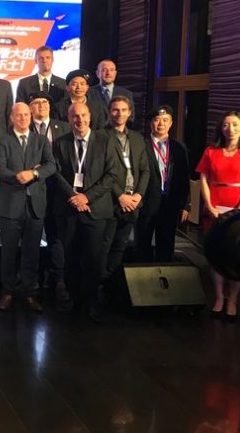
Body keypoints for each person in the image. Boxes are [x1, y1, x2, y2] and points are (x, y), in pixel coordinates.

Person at [50, 102, 118, 322]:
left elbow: (111, 175)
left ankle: (92, 301)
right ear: (69, 119)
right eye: (74, 116)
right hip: (68, 208)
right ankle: (74, 299)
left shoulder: (106, 141)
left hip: (95, 209)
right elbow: (56, 173)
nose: (79, 119)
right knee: (70, 257)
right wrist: (73, 196)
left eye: (83, 115)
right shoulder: (60, 142)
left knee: (93, 258)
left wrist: (86, 197)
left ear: (90, 116)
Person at [197, 110, 240, 321]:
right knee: (216, 256)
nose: (230, 129)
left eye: (235, 125)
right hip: (214, 210)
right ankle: (219, 297)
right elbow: (203, 180)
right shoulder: (211, 151)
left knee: (235, 257)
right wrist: (209, 205)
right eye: (226, 125)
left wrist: (239, 211)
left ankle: (233, 300)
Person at [0, 102, 55, 312]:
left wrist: (35, 173)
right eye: (18, 115)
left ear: (31, 116)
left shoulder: (41, 140)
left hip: (35, 205)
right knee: (9, 252)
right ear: (11, 117)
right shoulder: (3, 140)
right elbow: (0, 169)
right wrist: (18, 176)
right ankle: (8, 292)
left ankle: (30, 293)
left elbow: (51, 165)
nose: (23, 118)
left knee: (32, 252)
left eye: (26, 115)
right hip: (10, 204)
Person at [28, 90, 70, 300]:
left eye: (44, 102)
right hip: (32, 188)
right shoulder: (23, 126)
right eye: (36, 102)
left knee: (56, 236)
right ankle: (32, 280)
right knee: (32, 236)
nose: (41, 105)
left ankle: (58, 279)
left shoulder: (64, 127)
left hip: (58, 188)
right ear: (30, 108)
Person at [135, 105, 190, 263]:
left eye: (165, 120)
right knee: (142, 245)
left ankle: (164, 276)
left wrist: (186, 204)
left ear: (171, 123)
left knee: (166, 246)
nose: (161, 124)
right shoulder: (141, 145)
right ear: (151, 123)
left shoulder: (179, 147)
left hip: (170, 203)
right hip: (146, 202)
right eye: (157, 120)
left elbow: (184, 177)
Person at [102, 96, 149, 283]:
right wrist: (120, 195)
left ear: (129, 113)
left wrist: (138, 195)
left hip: (132, 201)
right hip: (110, 201)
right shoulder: (100, 136)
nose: (119, 114)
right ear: (109, 112)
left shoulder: (137, 138)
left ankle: (109, 282)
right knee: (103, 247)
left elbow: (145, 170)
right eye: (115, 110)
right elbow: (100, 171)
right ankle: (97, 286)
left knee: (120, 246)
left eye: (123, 110)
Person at [87, 59, 135, 126]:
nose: (108, 73)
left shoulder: (126, 93)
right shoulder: (88, 92)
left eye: (111, 70)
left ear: (115, 73)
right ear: (97, 73)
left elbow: (131, 117)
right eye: (104, 70)